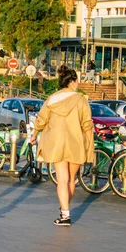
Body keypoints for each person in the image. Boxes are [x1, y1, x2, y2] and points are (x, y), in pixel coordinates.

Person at [30, 65, 94, 226]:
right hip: (76, 142)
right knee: (71, 179)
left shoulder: (52, 99)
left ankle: (65, 213)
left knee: (62, 179)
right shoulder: (81, 100)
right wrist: (89, 145)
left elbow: (42, 119)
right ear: (73, 82)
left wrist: (35, 134)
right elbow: (87, 125)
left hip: (57, 142)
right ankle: (64, 208)